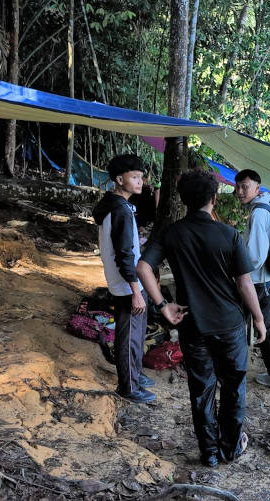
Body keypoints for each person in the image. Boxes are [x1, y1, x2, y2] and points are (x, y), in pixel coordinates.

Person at [136, 169, 266, 467]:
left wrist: (163, 305)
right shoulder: (229, 234)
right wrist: (259, 319)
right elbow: (245, 284)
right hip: (230, 325)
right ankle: (229, 449)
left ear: (183, 199)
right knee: (233, 387)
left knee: (201, 389)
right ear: (214, 197)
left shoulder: (172, 233)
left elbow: (143, 267)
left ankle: (208, 452)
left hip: (193, 325)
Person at [92, 154, 156, 404]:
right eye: (135, 177)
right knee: (128, 335)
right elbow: (124, 254)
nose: (140, 182)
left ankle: (135, 375)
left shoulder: (119, 205)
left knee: (136, 333)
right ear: (120, 180)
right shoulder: (119, 209)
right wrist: (136, 289)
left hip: (127, 282)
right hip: (126, 284)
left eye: (141, 177)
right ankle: (127, 386)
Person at [234, 169, 270, 394]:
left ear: (257, 187)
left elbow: (255, 256)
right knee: (266, 326)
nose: (239, 191)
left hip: (258, 282)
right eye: (237, 186)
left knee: (252, 325)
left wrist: (236, 272)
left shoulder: (259, 213)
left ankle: (239, 373)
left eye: (245, 186)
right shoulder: (267, 204)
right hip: (267, 279)